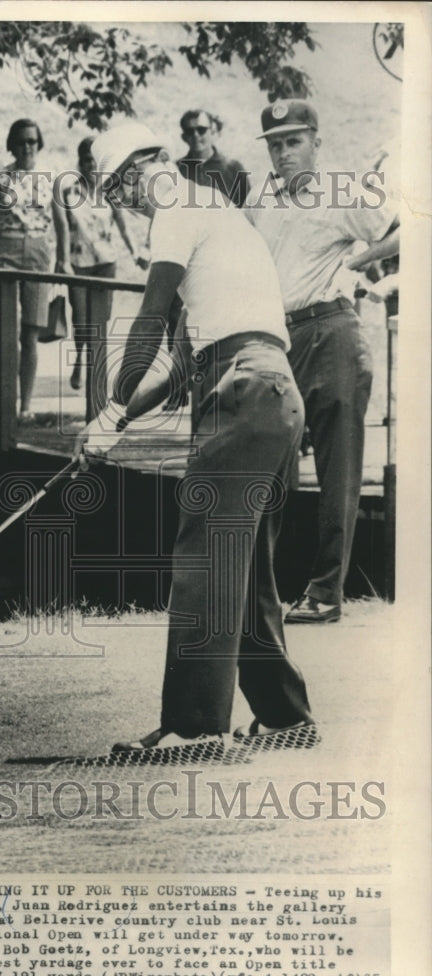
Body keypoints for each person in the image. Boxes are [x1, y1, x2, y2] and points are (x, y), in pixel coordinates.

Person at [75, 122, 316, 751]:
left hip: (243, 392)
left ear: (139, 170)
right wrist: (120, 420)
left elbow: (151, 319)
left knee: (205, 557)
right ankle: (286, 717)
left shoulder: (176, 206)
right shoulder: (216, 213)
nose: (129, 204)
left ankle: (194, 727)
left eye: (121, 192)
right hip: (275, 395)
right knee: (246, 566)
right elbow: (183, 363)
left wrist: (108, 408)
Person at [245, 100, 399, 624]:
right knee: (268, 464)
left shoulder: (340, 186)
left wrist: (353, 262)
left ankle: (326, 592)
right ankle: (255, 591)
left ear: (316, 140)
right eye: (275, 143)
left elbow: (406, 224)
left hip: (332, 331)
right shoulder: (261, 193)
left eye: (293, 141)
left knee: (338, 471)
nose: (284, 152)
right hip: (278, 337)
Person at [0, 118, 72, 417]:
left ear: (39, 143)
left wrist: (64, 260)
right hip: (5, 253)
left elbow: (61, 224)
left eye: (32, 141)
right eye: (21, 141)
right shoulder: (0, 179)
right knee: (10, 329)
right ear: (12, 145)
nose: (27, 147)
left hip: (38, 256)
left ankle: (25, 407)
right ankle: (6, 402)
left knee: (30, 334)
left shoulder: (51, 178)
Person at [62, 136, 148, 391]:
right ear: (80, 162)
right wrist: (62, 259)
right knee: (80, 318)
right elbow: (63, 229)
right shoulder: (70, 193)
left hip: (105, 262)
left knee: (99, 320)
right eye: (86, 160)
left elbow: (123, 225)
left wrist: (135, 253)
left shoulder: (109, 192)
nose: (90, 166)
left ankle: (96, 374)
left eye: (95, 161)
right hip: (78, 262)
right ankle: (80, 357)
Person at [176, 109, 250, 207]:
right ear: (184, 137)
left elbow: (247, 212)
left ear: (212, 132)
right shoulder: (176, 169)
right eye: (189, 131)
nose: (195, 135)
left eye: (201, 130)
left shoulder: (233, 169)